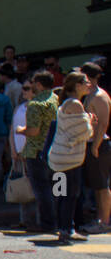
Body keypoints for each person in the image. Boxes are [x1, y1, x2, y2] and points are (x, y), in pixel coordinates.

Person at [48, 71, 95, 244]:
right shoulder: (75, 104)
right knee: (70, 195)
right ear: (77, 85)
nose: (89, 85)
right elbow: (84, 132)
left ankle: (63, 227)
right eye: (86, 82)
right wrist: (89, 120)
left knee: (62, 194)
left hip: (58, 157)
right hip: (69, 159)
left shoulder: (67, 103)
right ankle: (66, 229)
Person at [20, 71, 59, 234]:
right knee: (56, 188)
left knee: (41, 189)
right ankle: (60, 220)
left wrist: (20, 130)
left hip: (36, 151)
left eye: (34, 83)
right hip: (55, 150)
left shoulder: (35, 105)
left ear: (39, 84)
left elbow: (33, 131)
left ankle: (48, 223)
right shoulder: (55, 99)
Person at [79, 60, 111, 234]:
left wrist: (96, 146)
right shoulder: (90, 95)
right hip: (92, 144)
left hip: (99, 145)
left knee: (102, 186)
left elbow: (104, 123)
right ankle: (100, 218)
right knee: (97, 186)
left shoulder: (99, 96)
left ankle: (105, 221)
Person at [9, 79, 36, 232]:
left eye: (27, 88)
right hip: (18, 153)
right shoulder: (19, 108)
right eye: (23, 88)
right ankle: (24, 220)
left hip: (31, 153)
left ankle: (39, 219)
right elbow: (12, 130)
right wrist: (13, 149)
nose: (24, 91)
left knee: (36, 187)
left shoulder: (38, 108)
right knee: (22, 186)